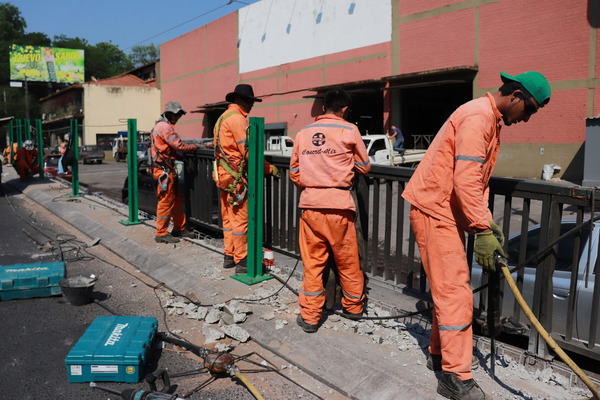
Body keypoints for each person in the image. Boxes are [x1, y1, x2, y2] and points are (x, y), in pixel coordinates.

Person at [402, 71, 551, 400]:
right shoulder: (478, 118)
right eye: (528, 110)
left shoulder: (488, 118)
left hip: (439, 208)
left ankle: (440, 356)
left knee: (448, 289)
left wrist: (483, 222)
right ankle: (454, 377)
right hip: (434, 209)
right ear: (515, 96)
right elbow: (465, 180)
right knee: (456, 293)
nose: (526, 118)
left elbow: (475, 182)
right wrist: (482, 229)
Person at [289, 88, 371, 333]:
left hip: (310, 207)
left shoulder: (303, 133)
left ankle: (311, 318)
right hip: (340, 207)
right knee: (347, 261)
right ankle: (354, 308)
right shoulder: (349, 130)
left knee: (313, 264)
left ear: (323, 107)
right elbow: (365, 167)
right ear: (344, 109)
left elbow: (294, 171)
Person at [213, 84, 280, 273]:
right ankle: (243, 261)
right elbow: (250, 153)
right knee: (241, 221)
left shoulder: (221, 119)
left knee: (228, 219)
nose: (252, 105)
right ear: (240, 100)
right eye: (250, 101)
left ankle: (229, 255)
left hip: (223, 175)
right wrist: (269, 168)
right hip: (236, 178)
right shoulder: (238, 120)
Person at [150, 101, 198, 244]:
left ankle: (179, 228)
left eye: (179, 115)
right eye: (176, 114)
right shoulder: (165, 127)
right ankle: (161, 233)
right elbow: (179, 145)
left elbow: (168, 149)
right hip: (163, 170)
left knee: (176, 200)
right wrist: (194, 147)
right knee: (165, 202)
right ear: (169, 114)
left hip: (165, 169)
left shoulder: (160, 126)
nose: (178, 117)